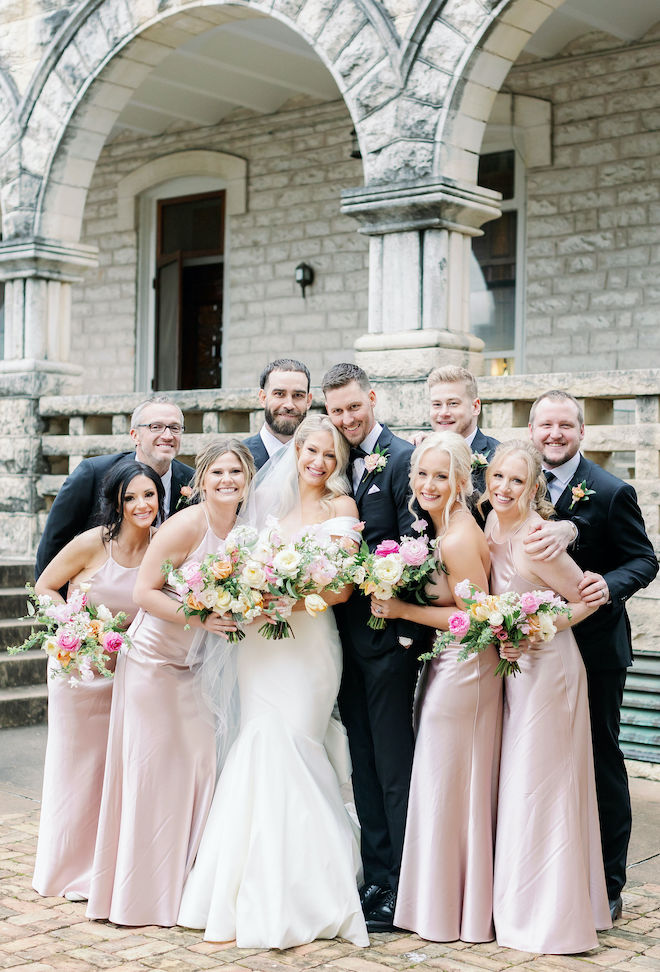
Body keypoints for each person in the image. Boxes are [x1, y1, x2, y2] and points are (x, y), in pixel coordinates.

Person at [177, 414, 368, 948]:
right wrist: (257, 597)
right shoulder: (264, 504)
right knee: (258, 742)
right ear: (296, 449)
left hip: (311, 645)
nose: (319, 462)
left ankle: (312, 881)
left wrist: (293, 595)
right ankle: (243, 882)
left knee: (299, 743)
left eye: (330, 455)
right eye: (311, 450)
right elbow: (238, 564)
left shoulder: (342, 508)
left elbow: (343, 591)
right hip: (261, 643)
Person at [86, 439, 255, 928]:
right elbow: (144, 592)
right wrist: (201, 617)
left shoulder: (245, 534)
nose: (227, 480)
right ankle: (136, 897)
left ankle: (184, 888)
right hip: (154, 665)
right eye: (218, 472)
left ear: (248, 480)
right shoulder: (186, 525)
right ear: (202, 479)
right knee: (151, 776)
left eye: (236, 472)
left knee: (199, 770)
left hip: (200, 670)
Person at [528, 390, 659, 920]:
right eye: (545, 426)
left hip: (595, 648)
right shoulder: (514, 484)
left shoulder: (610, 490)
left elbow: (644, 559)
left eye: (565, 426)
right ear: (531, 431)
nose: (554, 435)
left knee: (600, 757)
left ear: (581, 432)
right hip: (534, 647)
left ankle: (608, 878)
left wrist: (609, 584)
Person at [369, 432, 500, 943]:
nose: (428, 484)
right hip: (445, 664)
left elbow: (478, 616)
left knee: (448, 786)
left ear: (461, 481)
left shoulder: (459, 537)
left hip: (467, 668)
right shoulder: (440, 527)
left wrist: (403, 609)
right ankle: (442, 902)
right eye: (421, 474)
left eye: (441, 475)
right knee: (444, 784)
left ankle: (453, 910)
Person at [483, 440, 611, 953]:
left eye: (517, 481)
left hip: (549, 670)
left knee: (542, 787)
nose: (504, 488)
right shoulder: (492, 523)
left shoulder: (537, 537)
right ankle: (521, 897)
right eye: (498, 478)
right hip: (513, 670)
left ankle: (548, 916)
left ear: (535, 487)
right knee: (519, 782)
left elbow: (587, 599)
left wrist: (536, 627)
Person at [32, 458, 163, 903]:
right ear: (117, 503)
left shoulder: (163, 547)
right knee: (76, 772)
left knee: (112, 774)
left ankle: (103, 869)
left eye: (149, 495)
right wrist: (77, 626)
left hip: (127, 673)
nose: (141, 504)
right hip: (78, 672)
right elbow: (46, 587)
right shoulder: (92, 543)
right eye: (131, 497)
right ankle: (63, 868)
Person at [322, 363, 423, 933]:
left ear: (373, 399)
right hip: (340, 638)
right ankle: (376, 875)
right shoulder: (336, 460)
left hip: (388, 638)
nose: (347, 418)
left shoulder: (405, 458)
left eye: (354, 407)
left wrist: (410, 625)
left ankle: (404, 880)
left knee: (392, 761)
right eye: (337, 410)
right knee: (361, 758)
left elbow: (419, 542)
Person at [35, 397, 193, 577]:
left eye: (175, 427)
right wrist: (61, 603)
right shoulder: (93, 474)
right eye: (155, 427)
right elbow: (53, 544)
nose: (167, 435)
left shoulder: (193, 482)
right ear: (135, 435)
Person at [243, 358, 313, 469]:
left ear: (308, 401)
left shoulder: (319, 460)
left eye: (298, 395)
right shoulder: (239, 458)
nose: (289, 405)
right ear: (263, 398)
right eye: (279, 394)